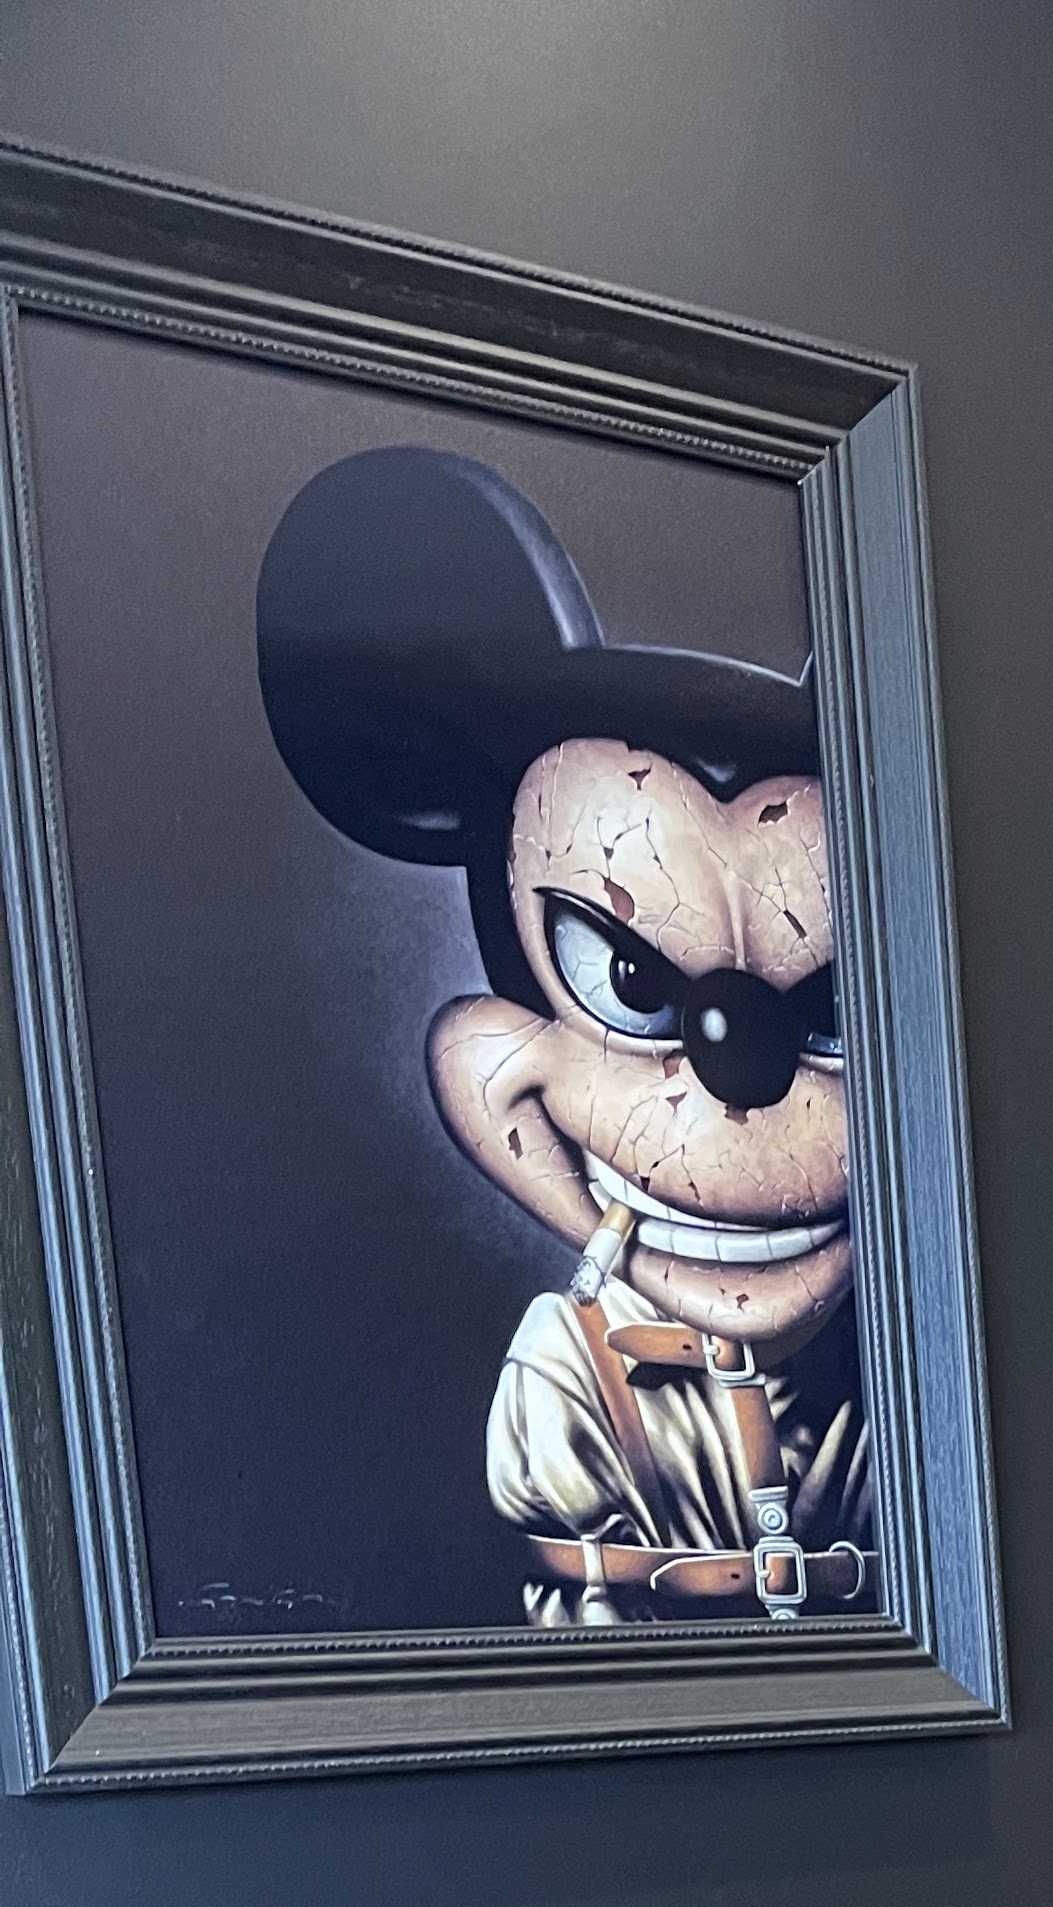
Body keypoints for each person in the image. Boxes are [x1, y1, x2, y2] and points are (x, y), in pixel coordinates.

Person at [258, 446, 867, 1625]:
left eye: (828, 1008)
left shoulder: (882, 1373)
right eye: (630, 978)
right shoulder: (568, 1372)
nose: (738, 1081)